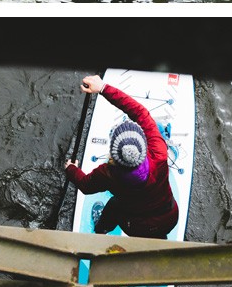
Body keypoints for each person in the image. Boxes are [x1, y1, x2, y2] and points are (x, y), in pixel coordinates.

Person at [65, 74, 179, 239]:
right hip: (169, 218)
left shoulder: (107, 174)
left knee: (114, 205)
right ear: (143, 145)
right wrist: (103, 88)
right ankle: (160, 239)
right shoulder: (159, 153)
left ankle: (102, 229)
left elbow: (85, 185)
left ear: (113, 152)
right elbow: (141, 113)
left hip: (134, 226)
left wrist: (71, 169)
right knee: (158, 128)